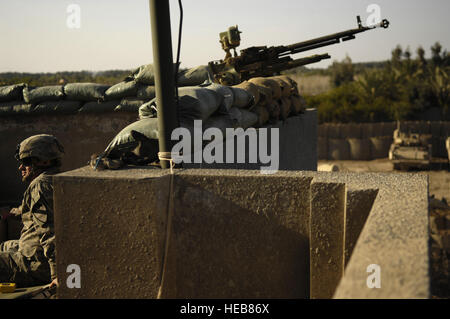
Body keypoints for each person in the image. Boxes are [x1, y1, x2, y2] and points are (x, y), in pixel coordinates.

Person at [0, 134, 64, 288]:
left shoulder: (40, 186)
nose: (21, 167)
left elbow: (49, 231)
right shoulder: (56, 179)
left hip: (36, 265)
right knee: (4, 246)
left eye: (26, 162)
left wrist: (58, 275)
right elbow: (30, 210)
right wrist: (10, 212)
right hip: (34, 252)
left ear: (44, 161)